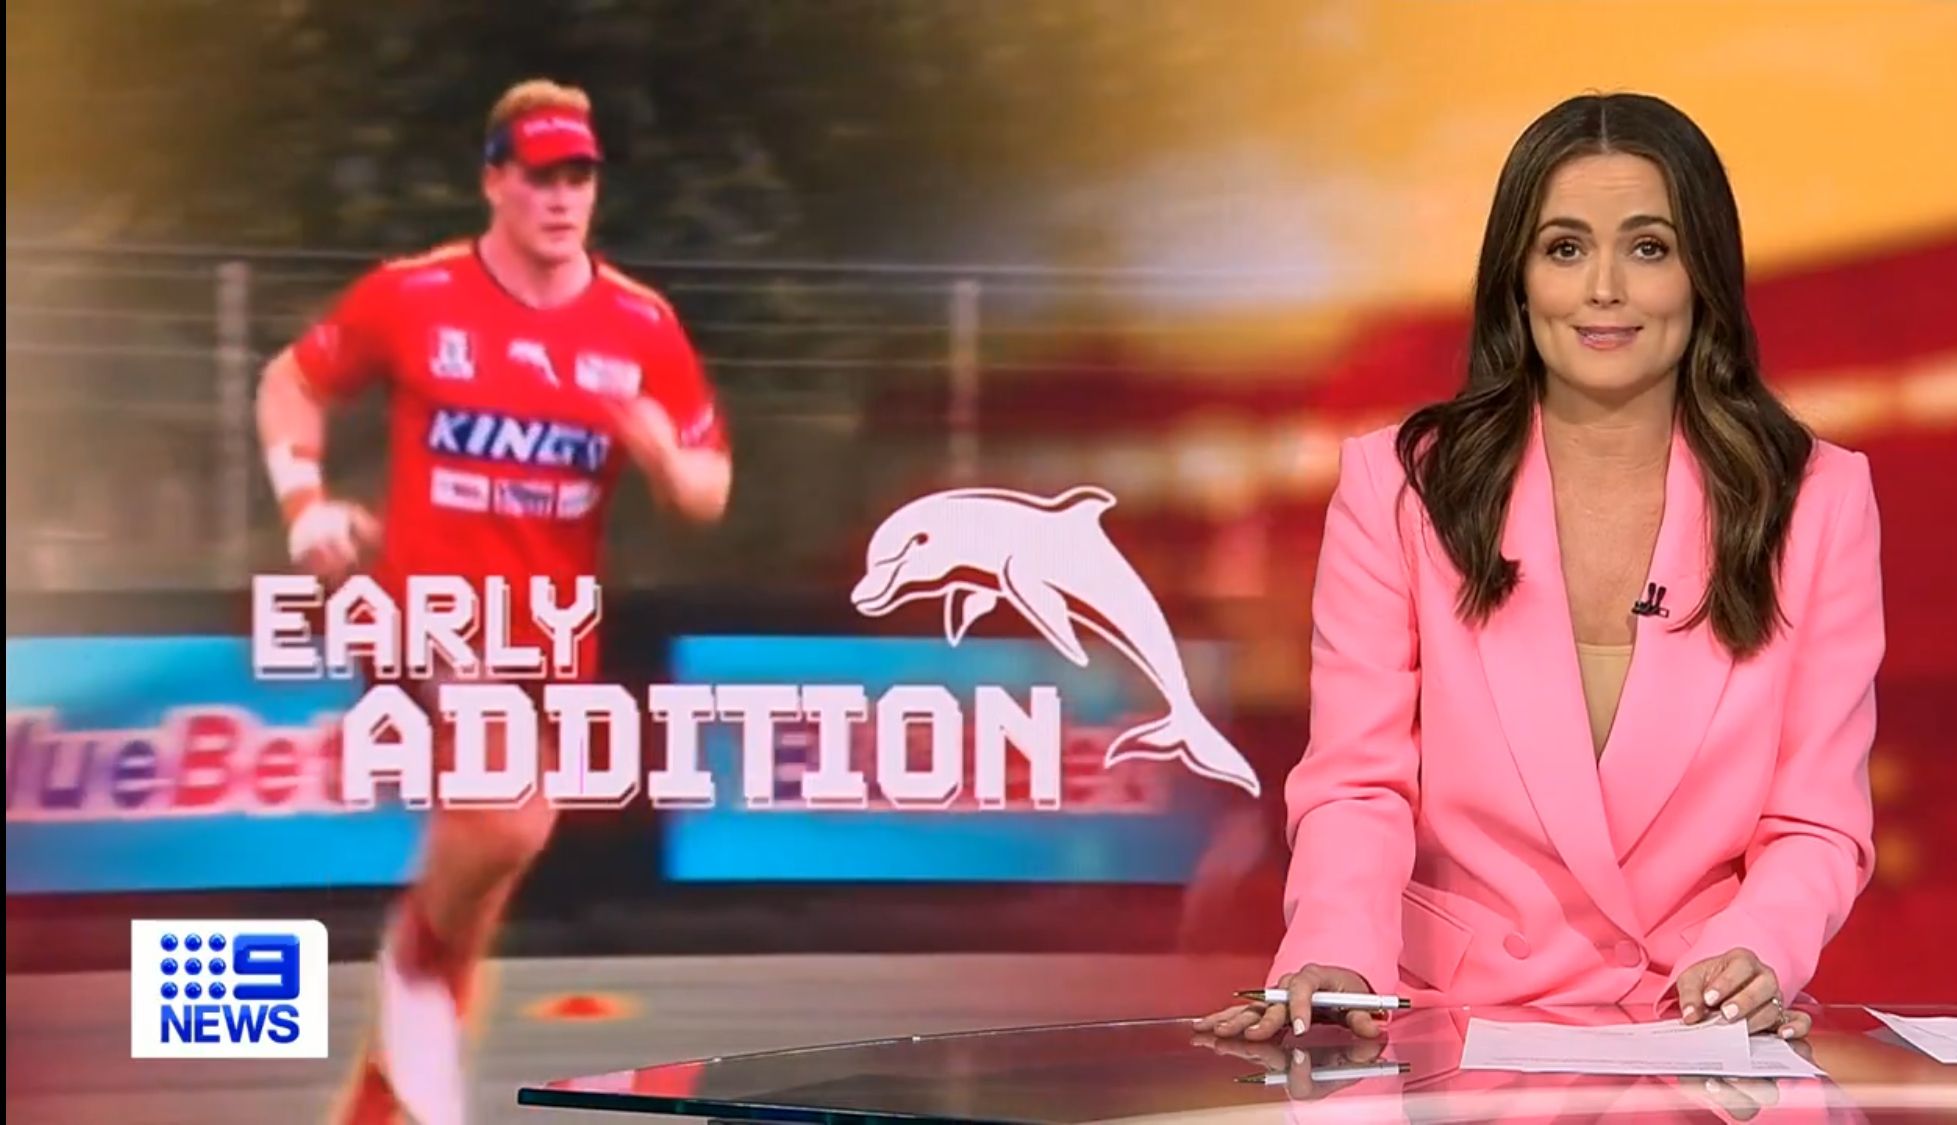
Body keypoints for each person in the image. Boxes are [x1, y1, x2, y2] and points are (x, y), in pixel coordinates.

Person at [1198, 92, 1882, 1046]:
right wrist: (1337, 955)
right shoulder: (1401, 486)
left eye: (1647, 247)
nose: (1603, 288)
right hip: (1452, 1024)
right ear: (1516, 280)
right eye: (1564, 248)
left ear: (1703, 275)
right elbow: (1357, 781)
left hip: (1699, 1026)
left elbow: (1815, 819)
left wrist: (1757, 947)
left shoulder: (1814, 497)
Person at [254, 79, 732, 1123]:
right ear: (494, 181)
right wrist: (305, 504)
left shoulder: (640, 324)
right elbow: (291, 382)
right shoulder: (414, 297)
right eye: (540, 175)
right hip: (420, 619)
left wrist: (665, 459)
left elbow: (709, 487)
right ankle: (409, 956)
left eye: (578, 176)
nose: (561, 197)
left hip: (545, 648)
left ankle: (378, 1096)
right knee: (512, 816)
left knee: (468, 922)